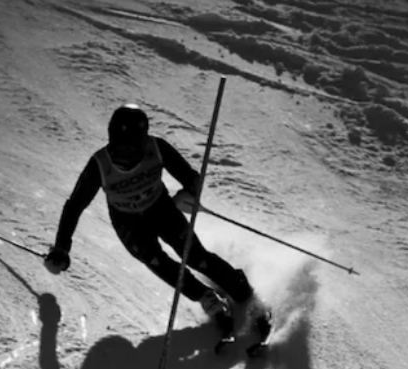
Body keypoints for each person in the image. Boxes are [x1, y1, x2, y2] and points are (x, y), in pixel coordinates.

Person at [45, 103, 265, 331]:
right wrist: (61, 248)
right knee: (159, 262)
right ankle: (207, 299)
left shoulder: (156, 148)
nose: (126, 154)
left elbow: (190, 176)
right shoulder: (99, 165)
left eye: (133, 147)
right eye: (121, 147)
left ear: (143, 140)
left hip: (161, 208)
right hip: (129, 223)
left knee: (195, 256)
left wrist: (188, 193)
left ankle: (245, 295)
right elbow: (74, 206)